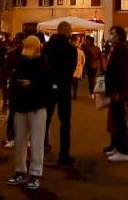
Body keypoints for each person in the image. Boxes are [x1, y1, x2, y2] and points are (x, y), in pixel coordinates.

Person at [6, 36, 53, 190]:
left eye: (30, 51)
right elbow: (14, 81)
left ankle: (35, 173)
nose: (27, 54)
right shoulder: (23, 62)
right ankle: (19, 170)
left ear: (38, 50)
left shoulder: (44, 64)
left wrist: (31, 85)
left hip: (37, 107)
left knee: (37, 142)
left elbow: (48, 86)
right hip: (22, 106)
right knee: (20, 141)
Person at [43, 20, 78, 164]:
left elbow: (43, 66)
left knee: (45, 118)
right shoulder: (71, 49)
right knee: (65, 122)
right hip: (63, 88)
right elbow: (72, 69)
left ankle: (41, 146)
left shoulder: (47, 47)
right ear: (66, 32)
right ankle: (64, 155)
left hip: (48, 87)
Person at [103, 25, 128, 162]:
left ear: (119, 35)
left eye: (113, 33)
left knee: (120, 121)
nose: (110, 35)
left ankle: (123, 150)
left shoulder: (121, 50)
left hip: (119, 91)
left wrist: (116, 91)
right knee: (116, 119)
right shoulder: (118, 49)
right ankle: (117, 147)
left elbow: (119, 73)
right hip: (117, 90)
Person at [2, 33, 25, 149]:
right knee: (14, 113)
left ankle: (12, 137)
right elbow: (6, 69)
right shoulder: (15, 54)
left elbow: (6, 69)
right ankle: (12, 137)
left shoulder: (21, 54)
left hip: (16, 87)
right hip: (17, 88)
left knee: (14, 113)